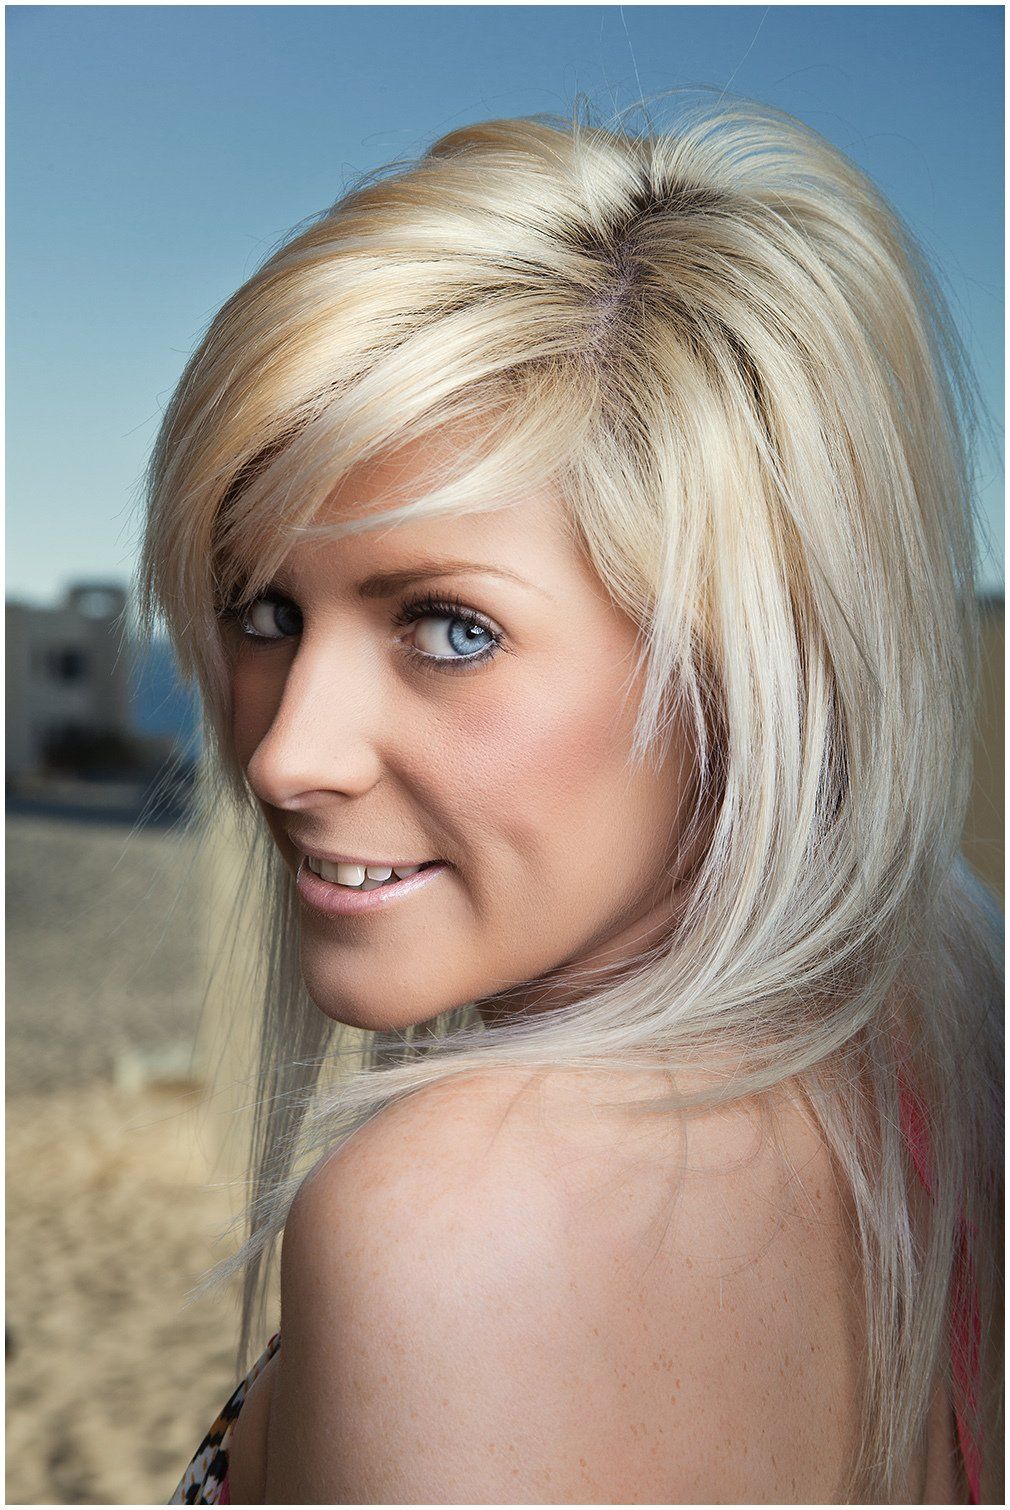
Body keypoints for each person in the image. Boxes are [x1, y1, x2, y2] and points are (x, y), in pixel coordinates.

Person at [141, 90, 1002, 1504]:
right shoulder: (943, 990)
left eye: (449, 628)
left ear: (749, 660)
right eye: (264, 613)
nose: (289, 754)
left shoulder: (452, 1219)